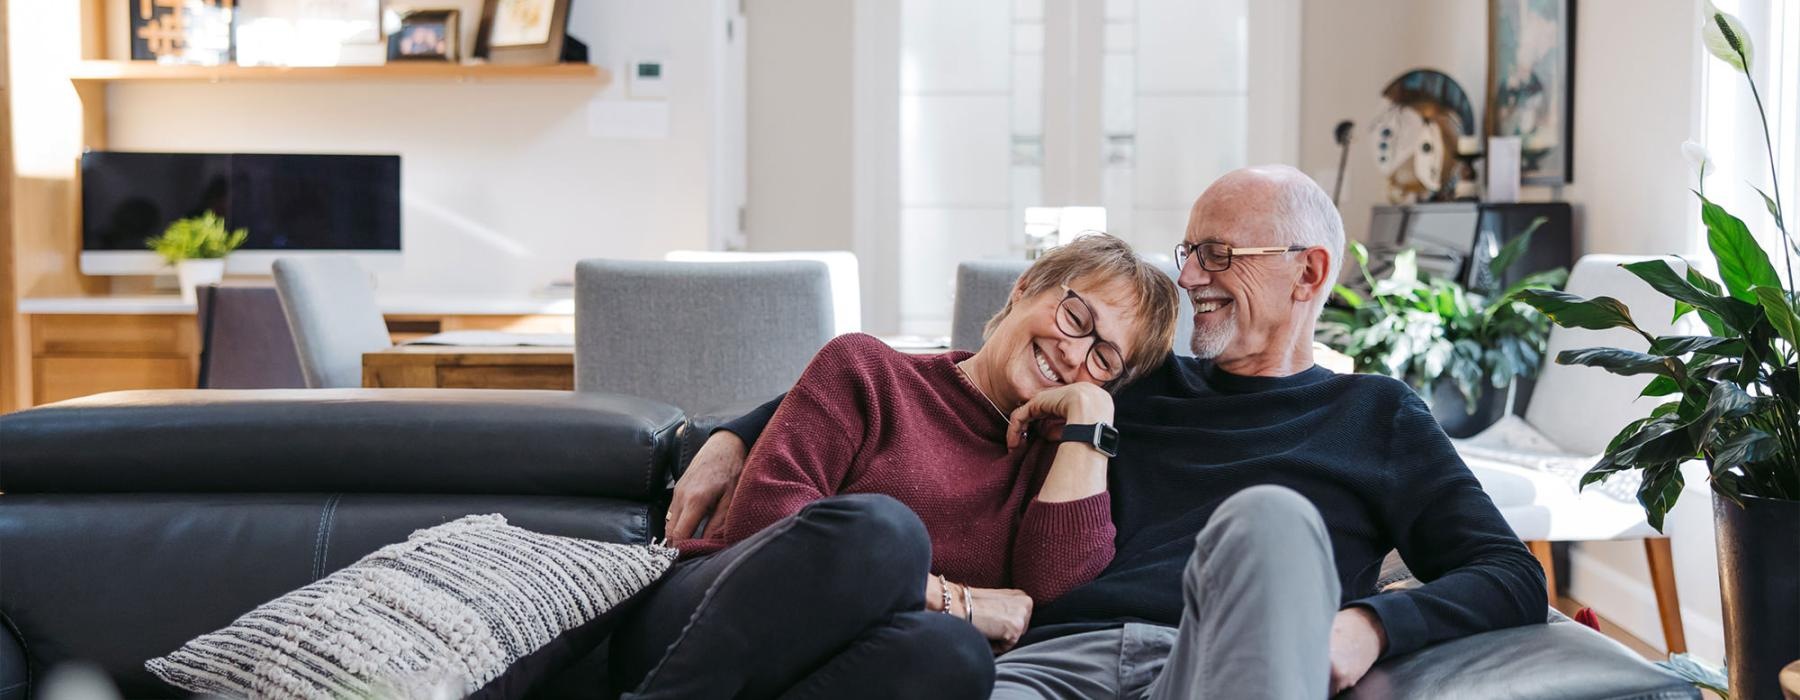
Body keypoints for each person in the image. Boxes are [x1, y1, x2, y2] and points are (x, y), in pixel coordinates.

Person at [672, 165, 1548, 698]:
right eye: (1190, 252)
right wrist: (731, 431)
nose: (1194, 276)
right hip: (1053, 664)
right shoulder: (1133, 375)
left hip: (1217, 668)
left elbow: (1509, 574)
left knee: (1272, 518)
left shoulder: (1379, 417)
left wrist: (1368, 627)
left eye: (1221, 256)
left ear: (1307, 271)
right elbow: (951, 375)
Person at [611, 234, 1181, 699]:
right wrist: (958, 601)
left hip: (842, 665)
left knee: (951, 655)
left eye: (1104, 358)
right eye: (1076, 316)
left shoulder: (1061, 466)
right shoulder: (867, 370)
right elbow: (768, 527)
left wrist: (1089, 416)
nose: (1074, 352)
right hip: (710, 618)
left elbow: (1052, 601)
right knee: (882, 531)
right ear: (1026, 287)